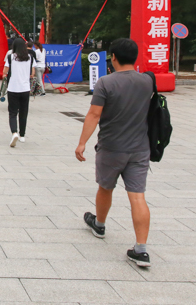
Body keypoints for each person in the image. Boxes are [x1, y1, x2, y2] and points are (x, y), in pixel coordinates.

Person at [74, 38, 155, 267]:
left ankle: (99, 225)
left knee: (105, 187)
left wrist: (82, 143)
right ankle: (141, 249)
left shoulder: (105, 82)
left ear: (113, 58)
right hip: (140, 148)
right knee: (138, 196)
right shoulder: (147, 81)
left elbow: (94, 114)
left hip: (111, 147)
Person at [2, 38, 36, 147]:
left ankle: (14, 132)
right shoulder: (30, 57)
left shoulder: (11, 57)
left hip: (13, 88)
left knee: (12, 112)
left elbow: (5, 71)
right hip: (25, 88)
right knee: (23, 112)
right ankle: (22, 135)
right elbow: (33, 72)